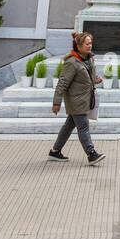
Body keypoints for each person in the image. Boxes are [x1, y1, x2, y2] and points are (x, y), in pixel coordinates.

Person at [49, 31, 106, 166]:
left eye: (90, 43)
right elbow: (62, 83)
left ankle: (55, 151)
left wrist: (95, 80)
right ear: (78, 46)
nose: (90, 46)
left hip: (85, 99)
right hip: (76, 101)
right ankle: (91, 154)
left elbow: (87, 76)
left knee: (68, 126)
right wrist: (56, 103)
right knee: (83, 127)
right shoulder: (72, 62)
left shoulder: (89, 59)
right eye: (87, 44)